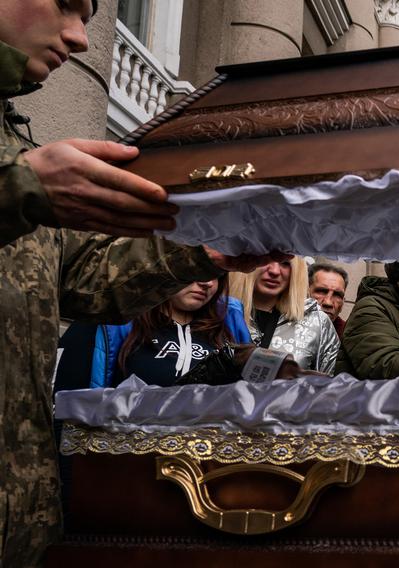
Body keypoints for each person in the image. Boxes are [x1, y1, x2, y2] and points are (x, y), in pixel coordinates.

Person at [0, 2, 285, 564]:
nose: (81, 38)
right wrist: (17, 193)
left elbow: (82, 282)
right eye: (65, 4)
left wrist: (202, 251)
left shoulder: (12, 131)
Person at [87, 276, 250, 387]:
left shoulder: (230, 321)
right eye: (197, 268)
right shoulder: (115, 319)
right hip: (129, 435)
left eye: (215, 273)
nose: (207, 282)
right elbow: (69, 402)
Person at [230, 257, 339, 374]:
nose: (275, 271)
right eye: (264, 259)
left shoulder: (317, 323)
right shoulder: (219, 313)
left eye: (285, 263)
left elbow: (325, 387)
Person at [308, 262, 349, 337]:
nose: (328, 302)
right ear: (306, 293)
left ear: (343, 303)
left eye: (337, 295)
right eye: (321, 291)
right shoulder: (282, 324)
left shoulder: (349, 340)